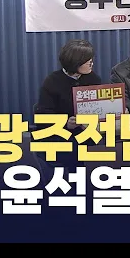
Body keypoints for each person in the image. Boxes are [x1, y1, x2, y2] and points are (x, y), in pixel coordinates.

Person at [35, 39, 102, 169]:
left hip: (86, 131)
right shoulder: (52, 81)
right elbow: (43, 116)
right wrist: (66, 123)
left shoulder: (93, 78)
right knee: (74, 151)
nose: (91, 64)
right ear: (75, 63)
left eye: (91, 60)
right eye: (88, 61)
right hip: (59, 133)